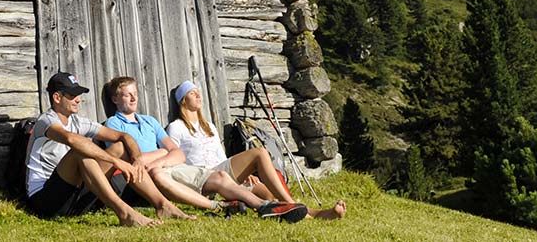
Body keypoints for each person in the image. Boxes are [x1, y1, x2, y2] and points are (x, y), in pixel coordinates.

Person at [102, 76, 311, 222]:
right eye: (127, 94)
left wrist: (160, 156)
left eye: (135, 93)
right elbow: (123, 156)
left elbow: (177, 153)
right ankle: (226, 206)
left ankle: (271, 207)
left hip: (168, 168)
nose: (133, 98)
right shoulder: (113, 124)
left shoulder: (149, 121)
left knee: (220, 175)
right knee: (159, 171)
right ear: (114, 99)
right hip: (150, 176)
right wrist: (162, 154)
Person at [24, 71, 191, 226]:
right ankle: (125, 213)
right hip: (46, 199)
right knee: (79, 153)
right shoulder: (45, 121)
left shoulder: (78, 122)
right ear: (57, 97)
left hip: (75, 198)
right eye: (73, 95)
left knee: (119, 147)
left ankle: (163, 205)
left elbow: (124, 137)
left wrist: (137, 159)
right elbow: (71, 140)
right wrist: (115, 162)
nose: (78, 99)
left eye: (79, 95)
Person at [166, 80, 347, 221]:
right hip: (202, 177)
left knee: (266, 193)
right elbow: (175, 160)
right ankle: (295, 204)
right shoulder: (176, 127)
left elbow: (221, 157)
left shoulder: (209, 127)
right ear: (183, 100)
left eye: (198, 92)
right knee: (259, 153)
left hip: (222, 171)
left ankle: (313, 214)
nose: (198, 96)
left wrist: (242, 171)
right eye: (192, 93)